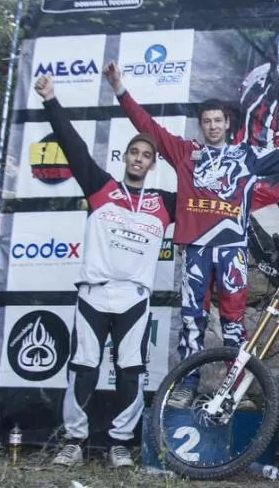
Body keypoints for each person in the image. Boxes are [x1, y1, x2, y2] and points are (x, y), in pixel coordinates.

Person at [103, 63, 279, 409]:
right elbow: (147, 127)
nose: (213, 126)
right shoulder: (185, 153)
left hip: (232, 250)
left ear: (227, 123)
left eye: (218, 120)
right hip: (196, 249)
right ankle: (187, 384)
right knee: (192, 320)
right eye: (207, 121)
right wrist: (119, 89)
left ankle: (234, 389)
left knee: (234, 323)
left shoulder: (246, 155)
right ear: (200, 125)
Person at [33, 75, 175, 469]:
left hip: (134, 297)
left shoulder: (165, 203)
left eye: (146, 154)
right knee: (83, 368)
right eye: (134, 152)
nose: (138, 159)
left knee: (131, 372)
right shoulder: (100, 187)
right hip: (94, 293)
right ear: (125, 157)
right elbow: (72, 145)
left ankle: (120, 444)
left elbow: (207, 199)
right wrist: (51, 100)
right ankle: (74, 442)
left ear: (152, 163)